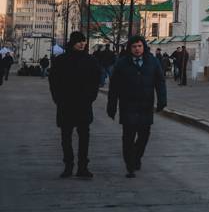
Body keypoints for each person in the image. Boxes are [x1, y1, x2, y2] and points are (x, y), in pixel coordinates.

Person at [107, 35, 166, 178]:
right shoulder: (122, 63)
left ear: (144, 47)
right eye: (134, 46)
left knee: (144, 136)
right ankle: (130, 165)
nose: (137, 49)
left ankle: (137, 156)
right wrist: (112, 105)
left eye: (139, 46)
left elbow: (160, 82)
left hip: (146, 105)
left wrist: (162, 100)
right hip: (128, 105)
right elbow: (114, 87)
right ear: (130, 48)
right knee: (128, 136)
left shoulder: (152, 61)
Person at [48, 31, 101, 178]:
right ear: (72, 43)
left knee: (84, 136)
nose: (82, 44)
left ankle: (83, 166)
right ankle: (68, 165)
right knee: (66, 136)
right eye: (79, 41)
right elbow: (53, 81)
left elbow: (96, 80)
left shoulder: (91, 60)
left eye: (83, 41)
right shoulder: (61, 60)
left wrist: (91, 97)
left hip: (84, 103)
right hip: (66, 104)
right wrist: (58, 99)